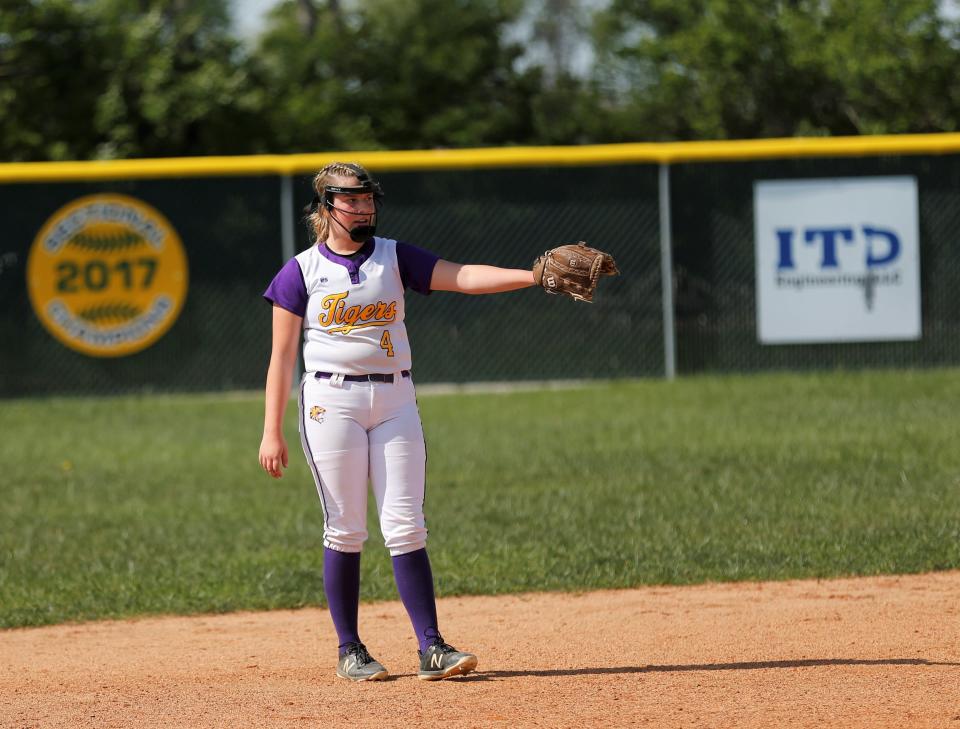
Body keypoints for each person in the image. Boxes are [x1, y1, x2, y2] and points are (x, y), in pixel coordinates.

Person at [258, 161, 536, 681]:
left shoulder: (393, 256)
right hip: (329, 403)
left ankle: (432, 647)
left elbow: (465, 277)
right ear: (327, 208)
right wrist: (272, 430)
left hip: (396, 400)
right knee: (346, 528)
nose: (364, 208)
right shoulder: (300, 272)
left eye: (368, 200)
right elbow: (280, 357)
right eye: (353, 200)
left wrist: (533, 275)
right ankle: (350, 650)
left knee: (406, 524)